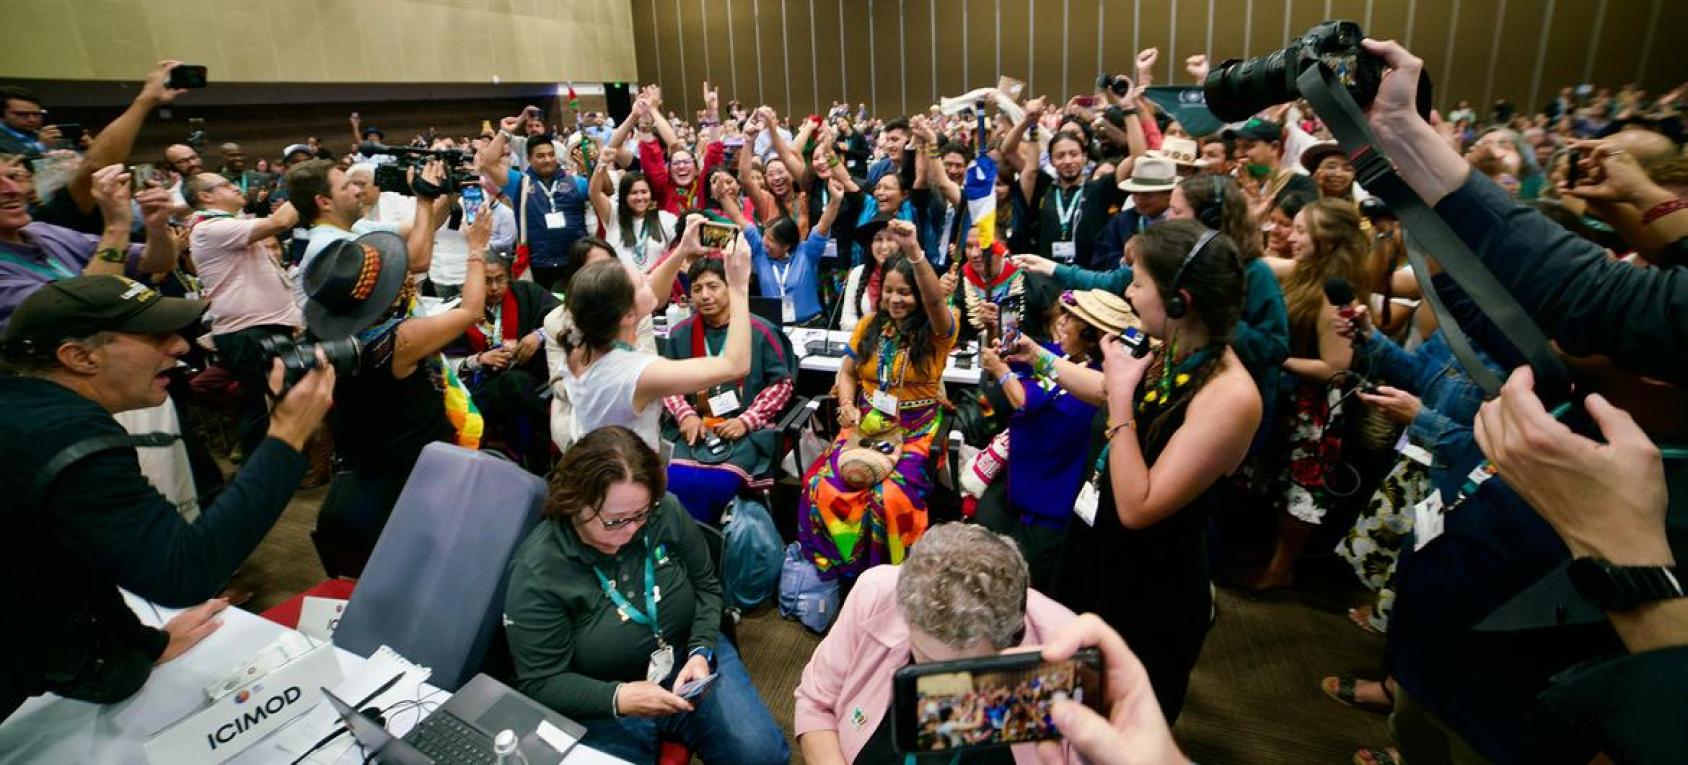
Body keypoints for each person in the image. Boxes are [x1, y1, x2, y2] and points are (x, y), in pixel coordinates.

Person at [0, 274, 335, 720]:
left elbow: (62, 564)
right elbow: (182, 572)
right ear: (80, 357)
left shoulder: (25, 410)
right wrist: (288, 436)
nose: (180, 347)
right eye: (157, 336)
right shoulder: (65, 434)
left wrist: (143, 647)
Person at [1014, 220, 1260, 722]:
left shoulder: (1230, 396)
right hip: (1094, 552)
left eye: (1138, 282)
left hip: (1149, 587)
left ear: (1178, 301)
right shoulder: (1171, 347)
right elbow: (1105, 389)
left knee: (1117, 720)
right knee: (1065, 702)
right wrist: (1039, 359)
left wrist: (1123, 395)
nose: (1127, 291)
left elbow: (1139, 506)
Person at [502, 426, 788, 764]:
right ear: (574, 502)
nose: (632, 529)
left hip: (685, 658)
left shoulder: (663, 511)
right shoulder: (540, 570)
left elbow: (707, 587)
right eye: (614, 521)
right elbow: (541, 682)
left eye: (641, 514)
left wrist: (701, 650)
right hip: (601, 690)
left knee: (762, 756)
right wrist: (618, 697)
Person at [794, 522, 1080, 763]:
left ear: (1013, 639)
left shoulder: (1065, 652)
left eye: (963, 671)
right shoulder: (878, 593)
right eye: (924, 661)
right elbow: (816, 704)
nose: (939, 692)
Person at [303, 212, 492, 574]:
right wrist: (476, 249)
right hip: (414, 466)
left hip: (365, 456)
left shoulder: (327, 338)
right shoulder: (400, 339)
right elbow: (471, 310)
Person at [798, 219, 958, 580]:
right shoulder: (869, 325)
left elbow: (936, 299)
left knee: (887, 499)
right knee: (818, 486)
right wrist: (847, 404)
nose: (895, 300)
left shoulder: (938, 331)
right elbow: (848, 371)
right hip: (866, 425)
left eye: (905, 292)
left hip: (915, 432)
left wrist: (915, 251)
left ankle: (886, 579)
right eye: (888, 291)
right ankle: (840, 572)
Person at [1245, 198, 1371, 591]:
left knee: (1297, 494)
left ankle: (1281, 570)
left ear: (1327, 241)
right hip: (1289, 399)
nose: (1289, 237)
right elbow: (1259, 262)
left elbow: (1335, 369)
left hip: (1313, 409)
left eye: (1301, 231)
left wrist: (1275, 356)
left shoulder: (1335, 299)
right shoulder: (1304, 272)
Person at [972, 290, 1127, 590]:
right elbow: (1020, 373)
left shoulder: (1096, 385)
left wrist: (1002, 371)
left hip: (1053, 511)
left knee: (1032, 592)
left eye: (1070, 318)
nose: (1060, 322)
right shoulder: (1060, 358)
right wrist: (999, 340)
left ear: (1091, 334)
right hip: (1020, 495)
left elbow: (1022, 401)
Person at [558, 219, 753, 450]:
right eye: (641, 282)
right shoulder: (637, 373)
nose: (648, 279)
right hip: (626, 475)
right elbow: (735, 365)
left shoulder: (581, 341)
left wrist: (682, 250)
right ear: (628, 316)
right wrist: (738, 287)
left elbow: (652, 290)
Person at [660, 257, 795, 521]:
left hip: (745, 430)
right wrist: (685, 414)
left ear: (730, 288)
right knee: (671, 480)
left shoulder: (760, 331)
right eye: (697, 289)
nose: (705, 295)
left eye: (713, 286)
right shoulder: (681, 333)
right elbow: (666, 383)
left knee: (718, 483)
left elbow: (781, 385)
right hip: (695, 428)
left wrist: (747, 420)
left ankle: (719, 541)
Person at [182, 172, 303, 456]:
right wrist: (305, 187)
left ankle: (264, 473)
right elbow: (281, 222)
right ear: (205, 196)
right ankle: (257, 479)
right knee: (264, 409)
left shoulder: (225, 225)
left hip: (258, 328)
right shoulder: (211, 228)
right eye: (225, 185)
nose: (235, 186)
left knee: (270, 406)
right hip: (251, 332)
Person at [1, 158, 179, 325]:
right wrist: (117, 225)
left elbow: (157, 262)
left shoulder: (41, 232)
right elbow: (87, 311)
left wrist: (156, 226)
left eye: (11, 177)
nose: (13, 189)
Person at [446, 250, 560, 472]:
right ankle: (549, 434)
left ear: (509, 278)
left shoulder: (526, 293)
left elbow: (564, 315)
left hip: (529, 377)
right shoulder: (458, 312)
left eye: (500, 279)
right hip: (482, 386)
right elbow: (447, 363)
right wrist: (479, 359)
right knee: (512, 384)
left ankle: (530, 450)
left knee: (516, 384)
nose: (495, 287)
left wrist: (538, 335)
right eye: (487, 281)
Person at [284, 158, 442, 307]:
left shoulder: (355, 227)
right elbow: (417, 262)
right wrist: (424, 200)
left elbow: (419, 226)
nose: (358, 191)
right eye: (346, 187)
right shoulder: (331, 245)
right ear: (324, 202)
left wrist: (448, 190)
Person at [477, 115, 589, 290]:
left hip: (576, 261)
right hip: (539, 265)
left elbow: (603, 191)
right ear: (529, 159)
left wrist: (595, 165)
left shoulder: (575, 182)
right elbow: (488, 162)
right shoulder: (519, 183)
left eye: (551, 155)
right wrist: (504, 133)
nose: (548, 159)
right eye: (541, 156)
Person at [749, 178, 845, 325]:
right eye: (764, 237)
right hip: (776, 328)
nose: (765, 243)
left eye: (771, 240)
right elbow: (739, 219)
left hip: (811, 326)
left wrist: (835, 200)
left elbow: (823, 226)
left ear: (786, 245)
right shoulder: (762, 255)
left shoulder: (806, 252)